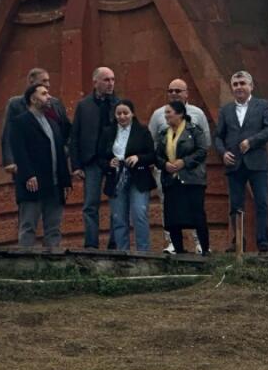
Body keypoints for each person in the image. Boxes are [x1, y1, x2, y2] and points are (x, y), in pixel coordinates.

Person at [213, 70, 268, 252]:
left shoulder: (263, 105)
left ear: (251, 86)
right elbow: (218, 136)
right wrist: (223, 152)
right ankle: (238, 242)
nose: (239, 87)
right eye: (235, 84)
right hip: (234, 162)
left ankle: (263, 243)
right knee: (235, 204)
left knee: (262, 203)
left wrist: (251, 141)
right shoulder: (226, 110)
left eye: (242, 83)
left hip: (257, 162)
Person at [148, 78, 211, 254]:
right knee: (171, 214)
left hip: (192, 177)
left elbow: (204, 146)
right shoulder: (160, 123)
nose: (174, 94)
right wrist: (164, 164)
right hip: (169, 178)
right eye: (171, 91)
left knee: (196, 212)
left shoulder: (196, 120)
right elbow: (153, 148)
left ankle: (202, 246)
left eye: (178, 90)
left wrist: (184, 162)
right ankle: (175, 245)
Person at [9, 82, 71, 250]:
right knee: (28, 225)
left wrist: (66, 182)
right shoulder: (20, 122)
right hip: (32, 184)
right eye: (44, 94)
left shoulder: (53, 123)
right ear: (33, 99)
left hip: (55, 184)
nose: (48, 97)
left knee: (54, 228)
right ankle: (26, 263)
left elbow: (60, 153)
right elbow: (19, 152)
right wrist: (28, 175)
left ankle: (52, 265)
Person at [68, 66, 118, 248]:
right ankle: (91, 244)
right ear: (95, 82)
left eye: (112, 79)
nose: (110, 83)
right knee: (90, 204)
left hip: (113, 161)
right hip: (92, 161)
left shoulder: (118, 104)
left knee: (116, 203)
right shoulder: (84, 105)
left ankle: (115, 243)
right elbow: (75, 136)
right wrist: (76, 165)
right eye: (106, 80)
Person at [102, 99, 155, 251]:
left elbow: (152, 155)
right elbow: (100, 157)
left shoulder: (143, 131)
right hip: (116, 178)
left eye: (126, 113)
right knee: (118, 218)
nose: (122, 116)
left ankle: (144, 254)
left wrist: (138, 158)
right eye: (119, 113)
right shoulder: (108, 132)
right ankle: (122, 253)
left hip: (138, 177)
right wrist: (108, 163)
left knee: (139, 214)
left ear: (132, 114)